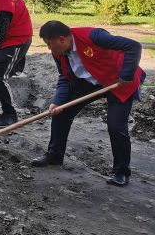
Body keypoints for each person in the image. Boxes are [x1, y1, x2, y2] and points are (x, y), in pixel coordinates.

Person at [34, 21, 144, 187]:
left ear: (62, 39)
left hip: (119, 82)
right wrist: (57, 102)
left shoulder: (94, 36)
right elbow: (65, 77)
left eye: (50, 44)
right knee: (61, 112)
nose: (49, 48)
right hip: (90, 83)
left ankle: (121, 172)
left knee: (116, 126)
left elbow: (134, 46)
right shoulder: (59, 52)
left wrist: (126, 74)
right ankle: (55, 155)